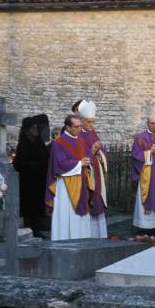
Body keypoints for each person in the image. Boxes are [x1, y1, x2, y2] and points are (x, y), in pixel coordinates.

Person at [45, 115, 94, 240]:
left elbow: (88, 156)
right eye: (76, 126)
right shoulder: (59, 143)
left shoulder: (82, 141)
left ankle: (82, 238)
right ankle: (64, 238)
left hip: (81, 182)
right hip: (65, 185)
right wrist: (79, 163)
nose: (79, 129)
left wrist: (88, 161)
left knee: (80, 215)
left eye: (80, 126)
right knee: (67, 212)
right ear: (68, 127)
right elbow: (59, 163)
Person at [13, 117, 49, 237]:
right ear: (27, 130)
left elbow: (45, 156)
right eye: (33, 128)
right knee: (28, 206)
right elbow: (20, 163)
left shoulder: (39, 142)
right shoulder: (23, 144)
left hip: (39, 179)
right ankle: (28, 230)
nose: (36, 130)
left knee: (38, 205)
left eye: (36, 127)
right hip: (27, 181)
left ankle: (37, 229)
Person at [78, 100, 108, 238]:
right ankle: (87, 234)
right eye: (89, 122)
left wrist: (99, 153)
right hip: (84, 174)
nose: (91, 125)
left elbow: (102, 151)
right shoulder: (78, 135)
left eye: (93, 122)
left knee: (97, 200)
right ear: (82, 120)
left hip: (96, 173)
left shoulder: (93, 133)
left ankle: (99, 234)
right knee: (88, 200)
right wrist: (91, 150)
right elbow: (77, 154)